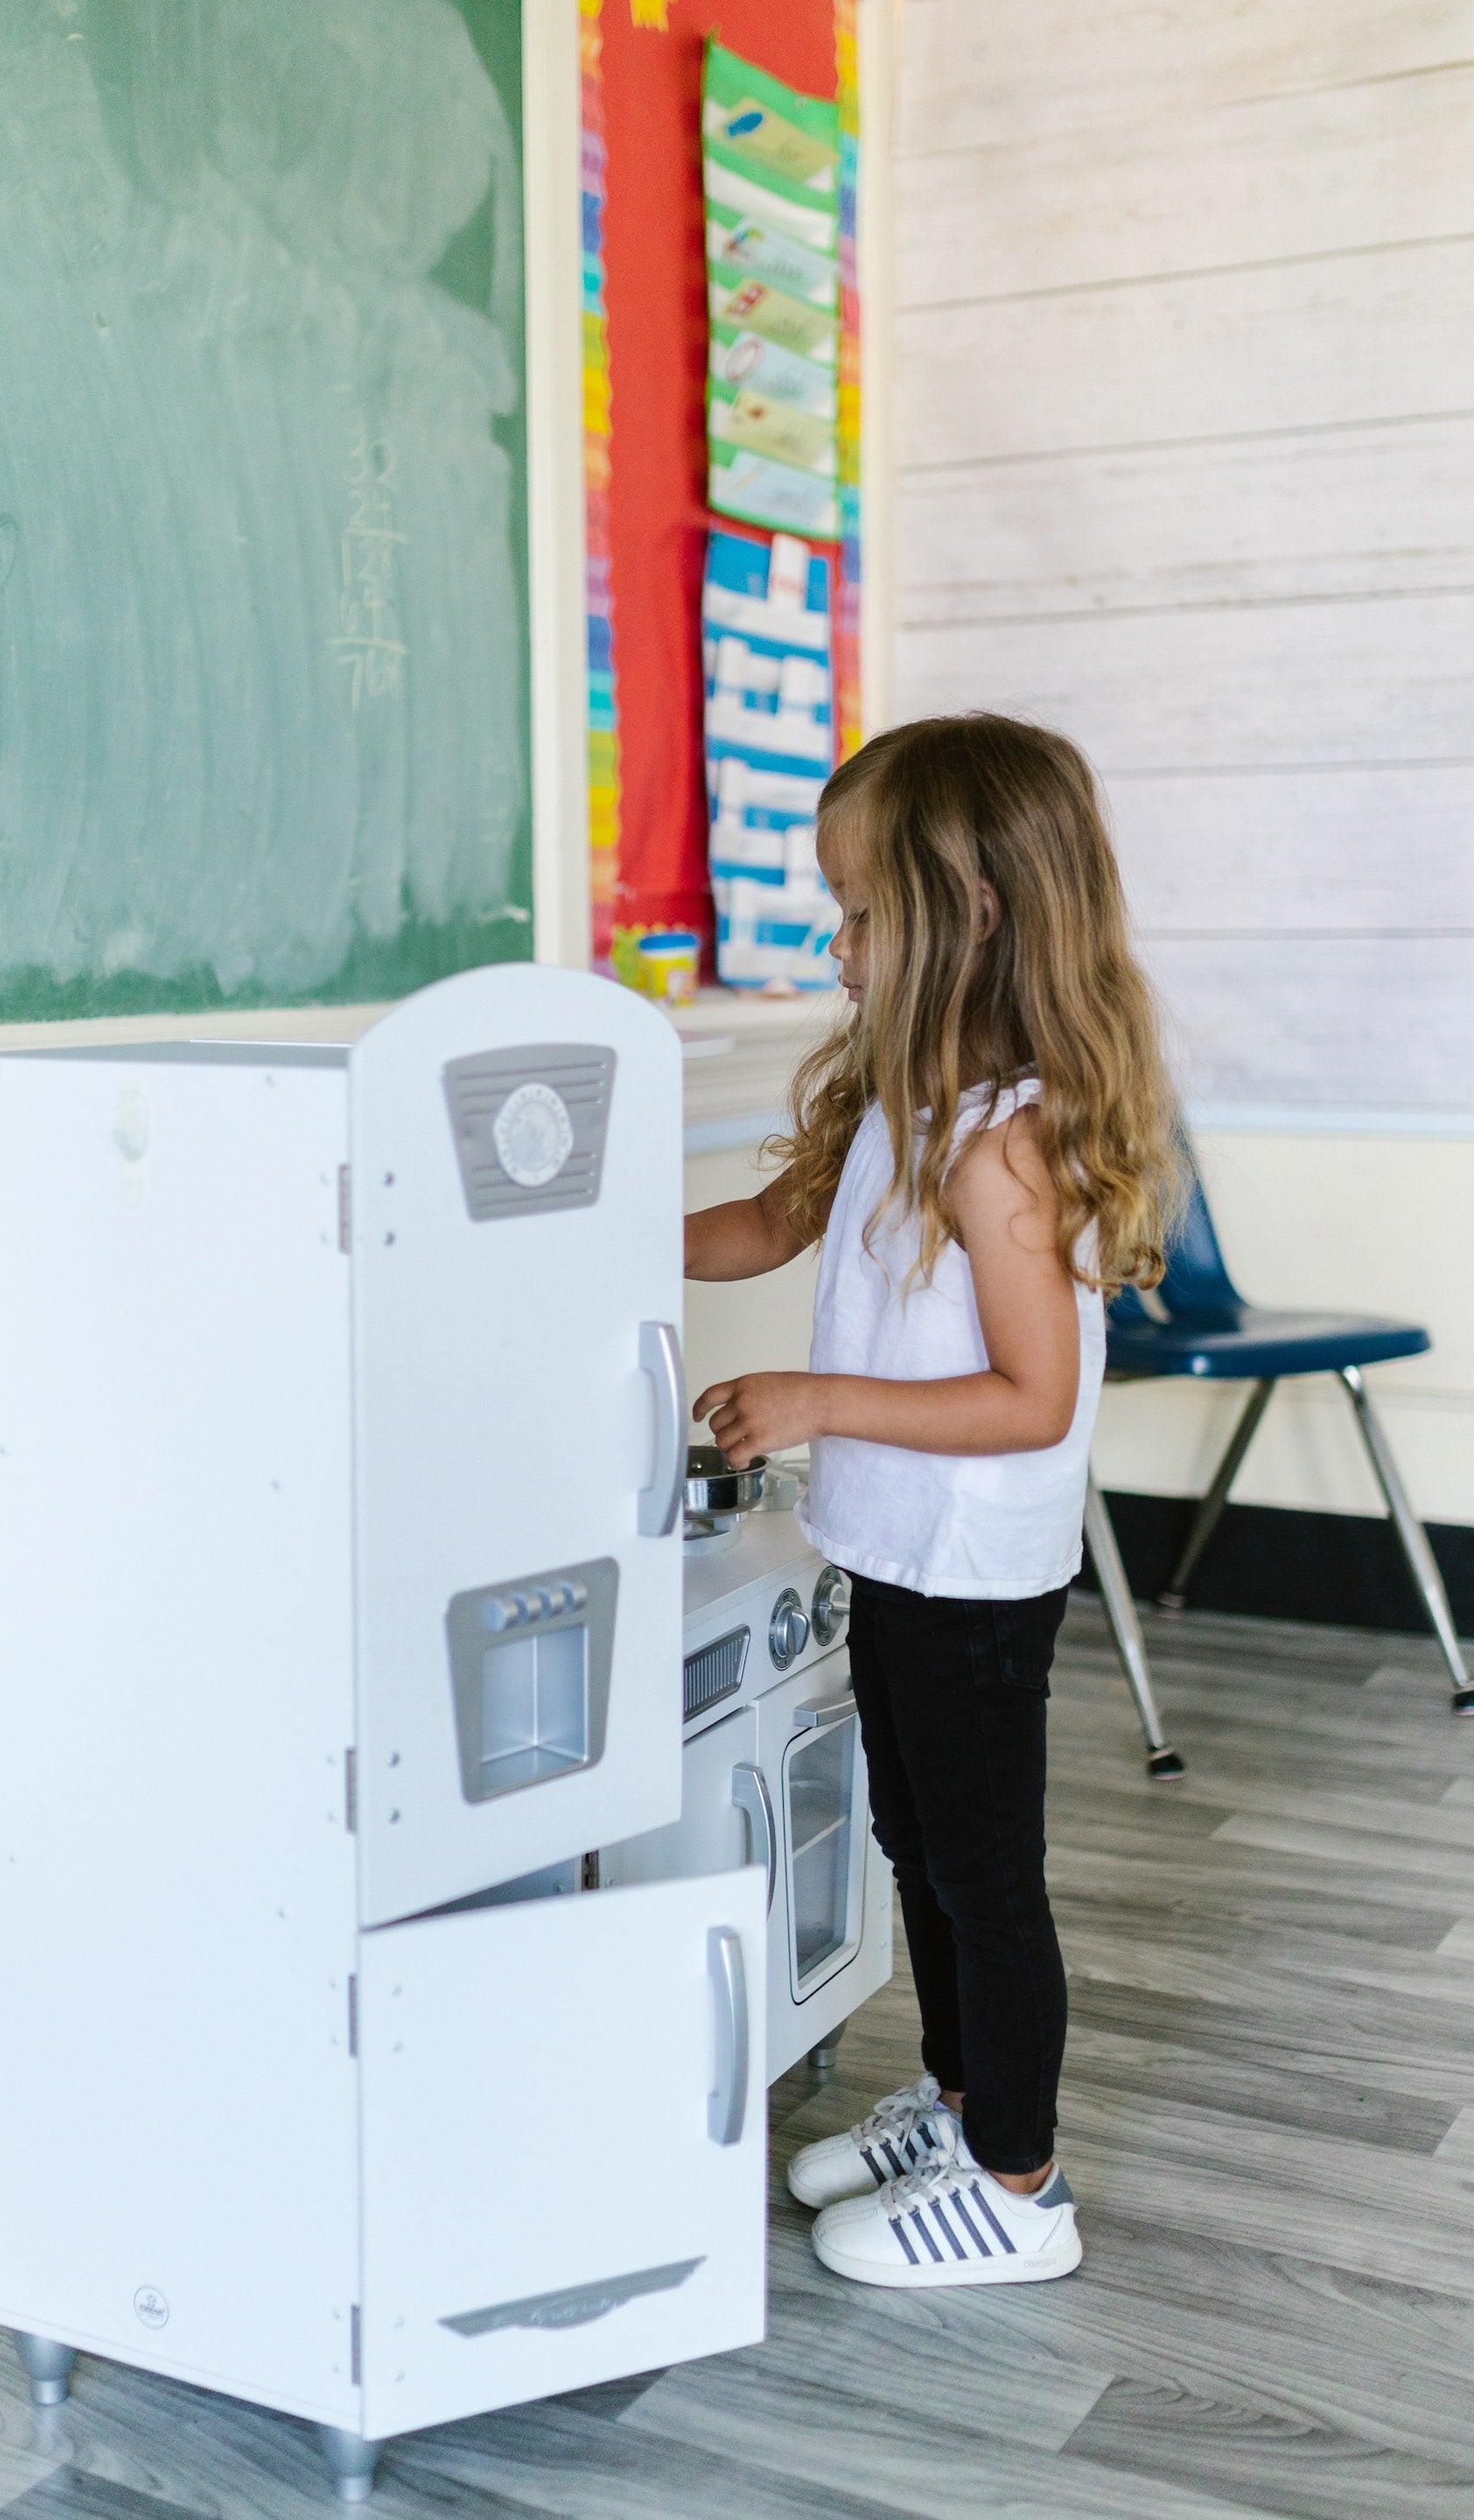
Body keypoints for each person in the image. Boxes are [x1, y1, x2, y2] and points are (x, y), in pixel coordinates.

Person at [686, 713, 1179, 2289]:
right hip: (897, 1549)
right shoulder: (904, 1108)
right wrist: (588, 1220)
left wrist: (814, 1400)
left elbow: (1034, 1401)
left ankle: (1020, 2186)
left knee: (982, 1875)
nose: (839, 951)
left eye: (861, 914)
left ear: (965, 917)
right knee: (916, 1840)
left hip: (974, 1569)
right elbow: (766, 1225)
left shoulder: (1001, 1147)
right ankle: (965, 2109)